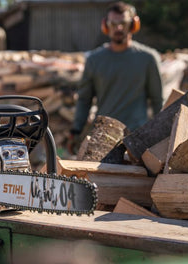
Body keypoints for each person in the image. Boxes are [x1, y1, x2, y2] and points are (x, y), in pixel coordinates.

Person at [68, 1, 163, 153]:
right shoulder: (94, 60)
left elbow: (158, 100)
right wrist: (76, 130)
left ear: (133, 25)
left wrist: (161, 134)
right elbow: (84, 99)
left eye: (123, 23)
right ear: (106, 26)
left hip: (137, 138)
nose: (118, 28)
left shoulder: (148, 58)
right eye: (113, 23)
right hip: (103, 137)